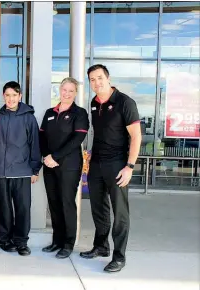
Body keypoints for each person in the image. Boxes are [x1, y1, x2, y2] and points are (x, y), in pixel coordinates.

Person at [80, 64, 142, 273]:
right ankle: (101, 246)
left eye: (100, 78)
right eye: (92, 80)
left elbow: (136, 136)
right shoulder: (94, 103)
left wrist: (129, 167)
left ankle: (119, 256)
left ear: (108, 78)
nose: (96, 83)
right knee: (99, 209)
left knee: (120, 212)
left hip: (117, 165)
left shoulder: (125, 102)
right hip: (96, 164)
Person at [0, 81, 42, 256]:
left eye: (14, 95)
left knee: (23, 208)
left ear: (20, 96)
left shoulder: (29, 118)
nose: (10, 99)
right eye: (7, 95)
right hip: (1, 172)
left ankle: (21, 241)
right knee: (3, 208)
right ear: (3, 96)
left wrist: (35, 169)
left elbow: (35, 144)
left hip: (22, 171)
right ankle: (4, 239)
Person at [39, 77, 89, 259]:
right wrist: (46, 156)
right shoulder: (49, 113)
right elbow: (42, 138)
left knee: (67, 202)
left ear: (75, 93)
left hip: (69, 166)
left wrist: (55, 156)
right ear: (59, 90)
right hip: (49, 165)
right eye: (64, 90)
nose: (66, 94)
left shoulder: (80, 113)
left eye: (71, 91)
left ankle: (68, 243)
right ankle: (57, 241)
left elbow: (77, 140)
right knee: (53, 202)